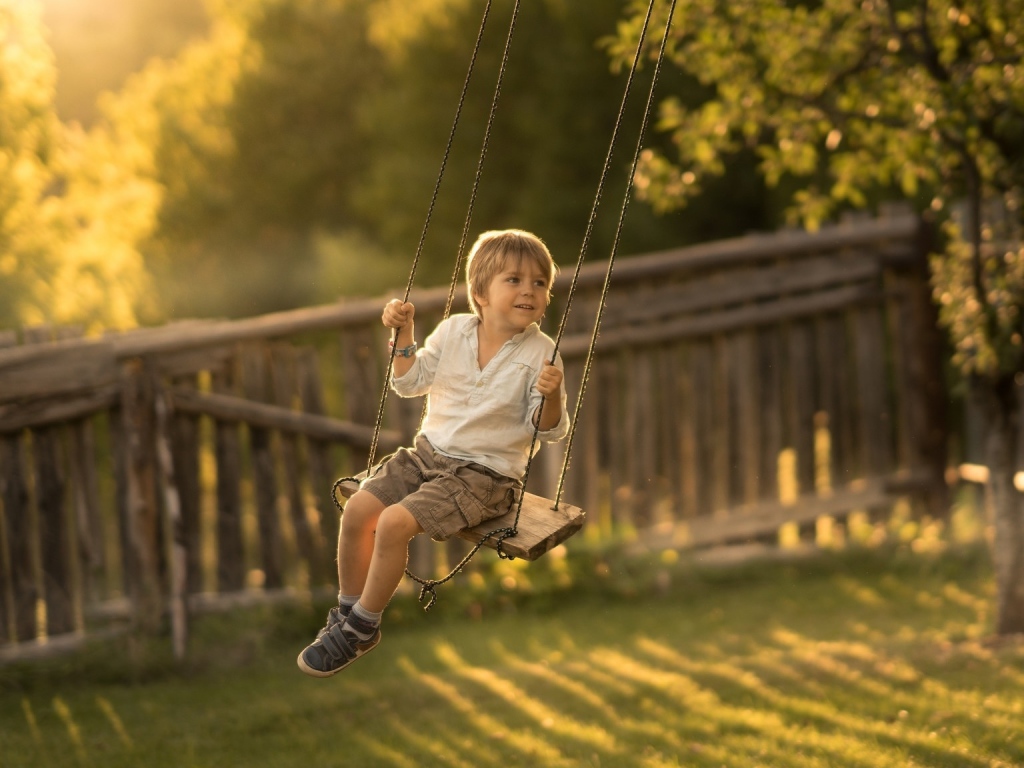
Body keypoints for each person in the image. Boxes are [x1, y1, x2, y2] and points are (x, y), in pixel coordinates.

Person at [298, 229, 570, 677]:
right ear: (480, 293)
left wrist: (554, 396)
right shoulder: (453, 331)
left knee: (392, 523)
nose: (529, 290)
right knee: (358, 510)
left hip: (485, 477)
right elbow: (408, 383)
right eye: (515, 280)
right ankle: (347, 615)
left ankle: (365, 626)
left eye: (539, 283)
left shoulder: (543, 354)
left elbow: (548, 430)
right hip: (426, 455)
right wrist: (403, 332)